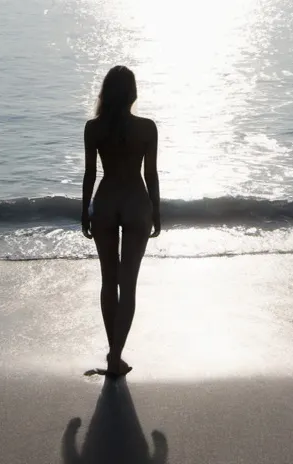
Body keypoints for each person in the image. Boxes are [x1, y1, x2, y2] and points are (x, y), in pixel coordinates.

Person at [81, 65, 161, 377]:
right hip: (135, 202)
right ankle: (115, 356)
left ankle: (113, 354)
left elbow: (90, 173)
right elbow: (150, 174)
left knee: (108, 282)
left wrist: (83, 209)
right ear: (132, 92)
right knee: (128, 286)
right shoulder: (147, 128)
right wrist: (157, 210)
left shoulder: (93, 128)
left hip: (105, 201)